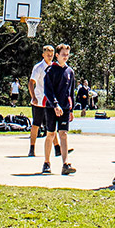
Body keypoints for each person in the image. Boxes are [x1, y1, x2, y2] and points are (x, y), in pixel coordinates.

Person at [41, 44, 78, 176]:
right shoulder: (50, 70)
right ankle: (46, 162)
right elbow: (48, 90)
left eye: (67, 54)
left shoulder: (70, 72)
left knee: (63, 134)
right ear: (57, 55)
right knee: (51, 134)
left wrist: (71, 109)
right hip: (52, 107)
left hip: (65, 108)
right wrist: (55, 105)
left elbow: (71, 92)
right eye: (63, 54)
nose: (65, 57)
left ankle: (65, 163)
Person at [27, 46, 56, 158]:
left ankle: (58, 148)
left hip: (50, 100)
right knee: (36, 124)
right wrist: (33, 97)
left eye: (52, 54)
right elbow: (31, 82)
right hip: (39, 99)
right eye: (48, 54)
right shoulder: (38, 67)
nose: (50, 56)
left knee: (51, 125)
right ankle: (32, 147)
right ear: (43, 54)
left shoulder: (54, 67)